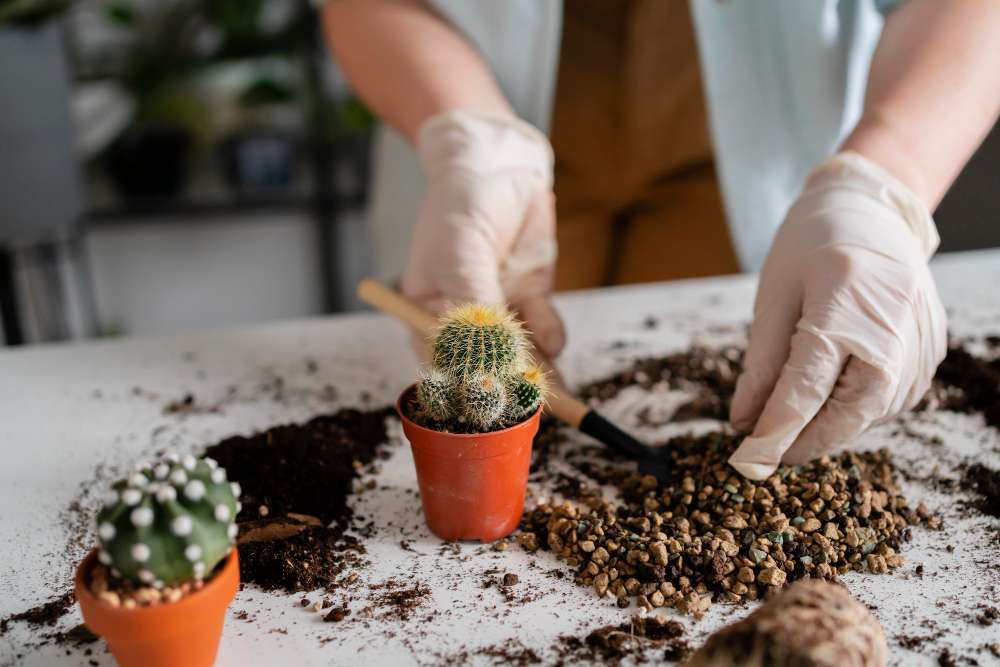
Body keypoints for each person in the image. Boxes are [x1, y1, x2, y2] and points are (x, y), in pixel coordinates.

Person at [321, 0, 1000, 480]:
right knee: (503, 393)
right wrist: (471, 137)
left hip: (754, 124)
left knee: (750, 369)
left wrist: (884, 178)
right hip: (482, 87)